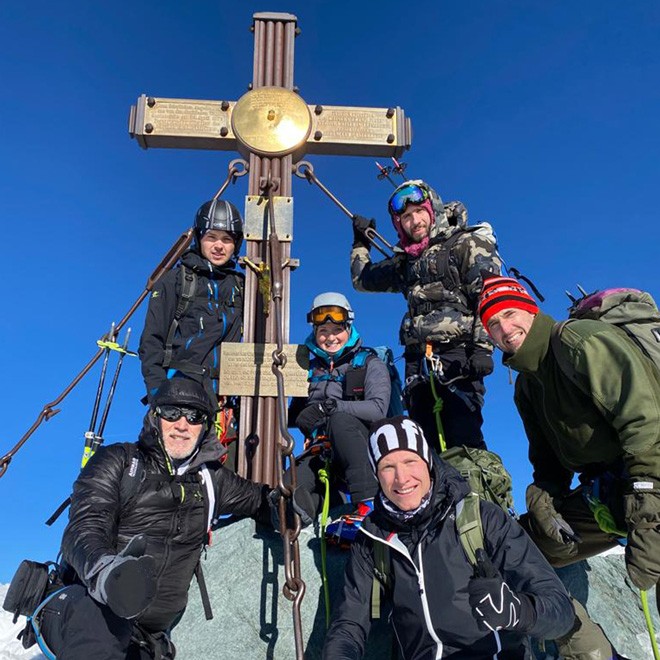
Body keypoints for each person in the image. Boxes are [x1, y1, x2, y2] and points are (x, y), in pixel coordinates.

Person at [478, 273, 660, 655]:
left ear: (531, 311)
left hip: (649, 478)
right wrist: (546, 494)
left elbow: (645, 420)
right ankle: (592, 650)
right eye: (493, 324)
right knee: (515, 549)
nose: (505, 329)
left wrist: (647, 510)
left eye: (511, 314)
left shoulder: (581, 342)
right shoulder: (527, 385)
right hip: (608, 493)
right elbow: (546, 458)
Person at [37, 378, 273, 660]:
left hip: (149, 635)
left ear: (205, 426)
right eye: (171, 413)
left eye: (194, 416)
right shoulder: (119, 461)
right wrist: (107, 572)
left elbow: (259, 500)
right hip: (88, 606)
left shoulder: (213, 480)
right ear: (155, 417)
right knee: (98, 631)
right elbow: (85, 526)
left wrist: (290, 505)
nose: (182, 424)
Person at [323, 416, 575, 659]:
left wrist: (517, 610)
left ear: (428, 463)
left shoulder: (480, 519)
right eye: (388, 467)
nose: (401, 478)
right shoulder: (373, 540)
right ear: (377, 475)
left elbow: (560, 610)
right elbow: (350, 624)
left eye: (411, 461)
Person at [351, 180, 501, 452]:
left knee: (462, 436)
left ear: (433, 211)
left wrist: (482, 349)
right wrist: (361, 243)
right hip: (417, 360)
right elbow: (362, 281)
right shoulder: (405, 263)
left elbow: (489, 295)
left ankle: (474, 491)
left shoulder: (466, 243)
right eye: (406, 217)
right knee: (424, 444)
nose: (414, 221)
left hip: (458, 353)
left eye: (420, 212)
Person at [139, 198, 244, 464]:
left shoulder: (242, 287)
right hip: (179, 393)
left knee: (227, 476)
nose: (219, 246)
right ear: (199, 238)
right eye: (211, 237)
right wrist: (158, 395)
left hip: (221, 398)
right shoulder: (175, 281)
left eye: (227, 239)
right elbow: (151, 342)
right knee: (170, 475)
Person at [288, 292, 390, 533]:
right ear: (315, 333)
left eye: (337, 330)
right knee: (288, 490)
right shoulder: (307, 369)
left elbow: (378, 409)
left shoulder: (369, 363)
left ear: (348, 328)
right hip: (320, 450)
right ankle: (311, 509)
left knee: (340, 420)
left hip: (359, 450)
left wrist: (330, 407)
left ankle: (369, 507)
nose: (330, 337)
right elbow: (293, 416)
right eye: (323, 331)